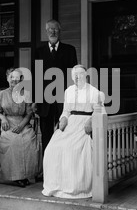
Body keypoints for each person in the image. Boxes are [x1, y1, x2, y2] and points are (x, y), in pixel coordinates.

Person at [42, 65, 106, 199]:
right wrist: (63, 118)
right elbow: (66, 110)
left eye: (81, 74)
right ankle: (58, 186)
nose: (78, 77)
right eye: (75, 75)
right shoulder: (68, 91)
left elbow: (99, 110)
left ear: (86, 75)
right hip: (70, 123)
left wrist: (90, 121)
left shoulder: (94, 91)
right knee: (52, 149)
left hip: (84, 124)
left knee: (73, 150)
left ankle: (77, 188)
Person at [35, 19, 78, 180]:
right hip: (45, 101)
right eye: (50, 29)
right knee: (46, 135)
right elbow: (36, 78)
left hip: (63, 101)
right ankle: (48, 170)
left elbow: (74, 77)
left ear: (60, 31)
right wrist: (35, 101)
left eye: (55, 29)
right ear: (46, 32)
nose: (53, 32)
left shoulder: (69, 50)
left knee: (64, 132)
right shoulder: (39, 52)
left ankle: (64, 169)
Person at [0, 68, 41, 188]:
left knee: (29, 140)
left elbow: (29, 113)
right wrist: (3, 119)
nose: (14, 81)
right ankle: (16, 177)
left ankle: (27, 175)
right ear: (7, 79)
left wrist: (21, 126)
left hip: (23, 123)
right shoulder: (1, 95)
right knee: (13, 142)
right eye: (11, 78)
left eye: (17, 79)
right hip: (8, 124)